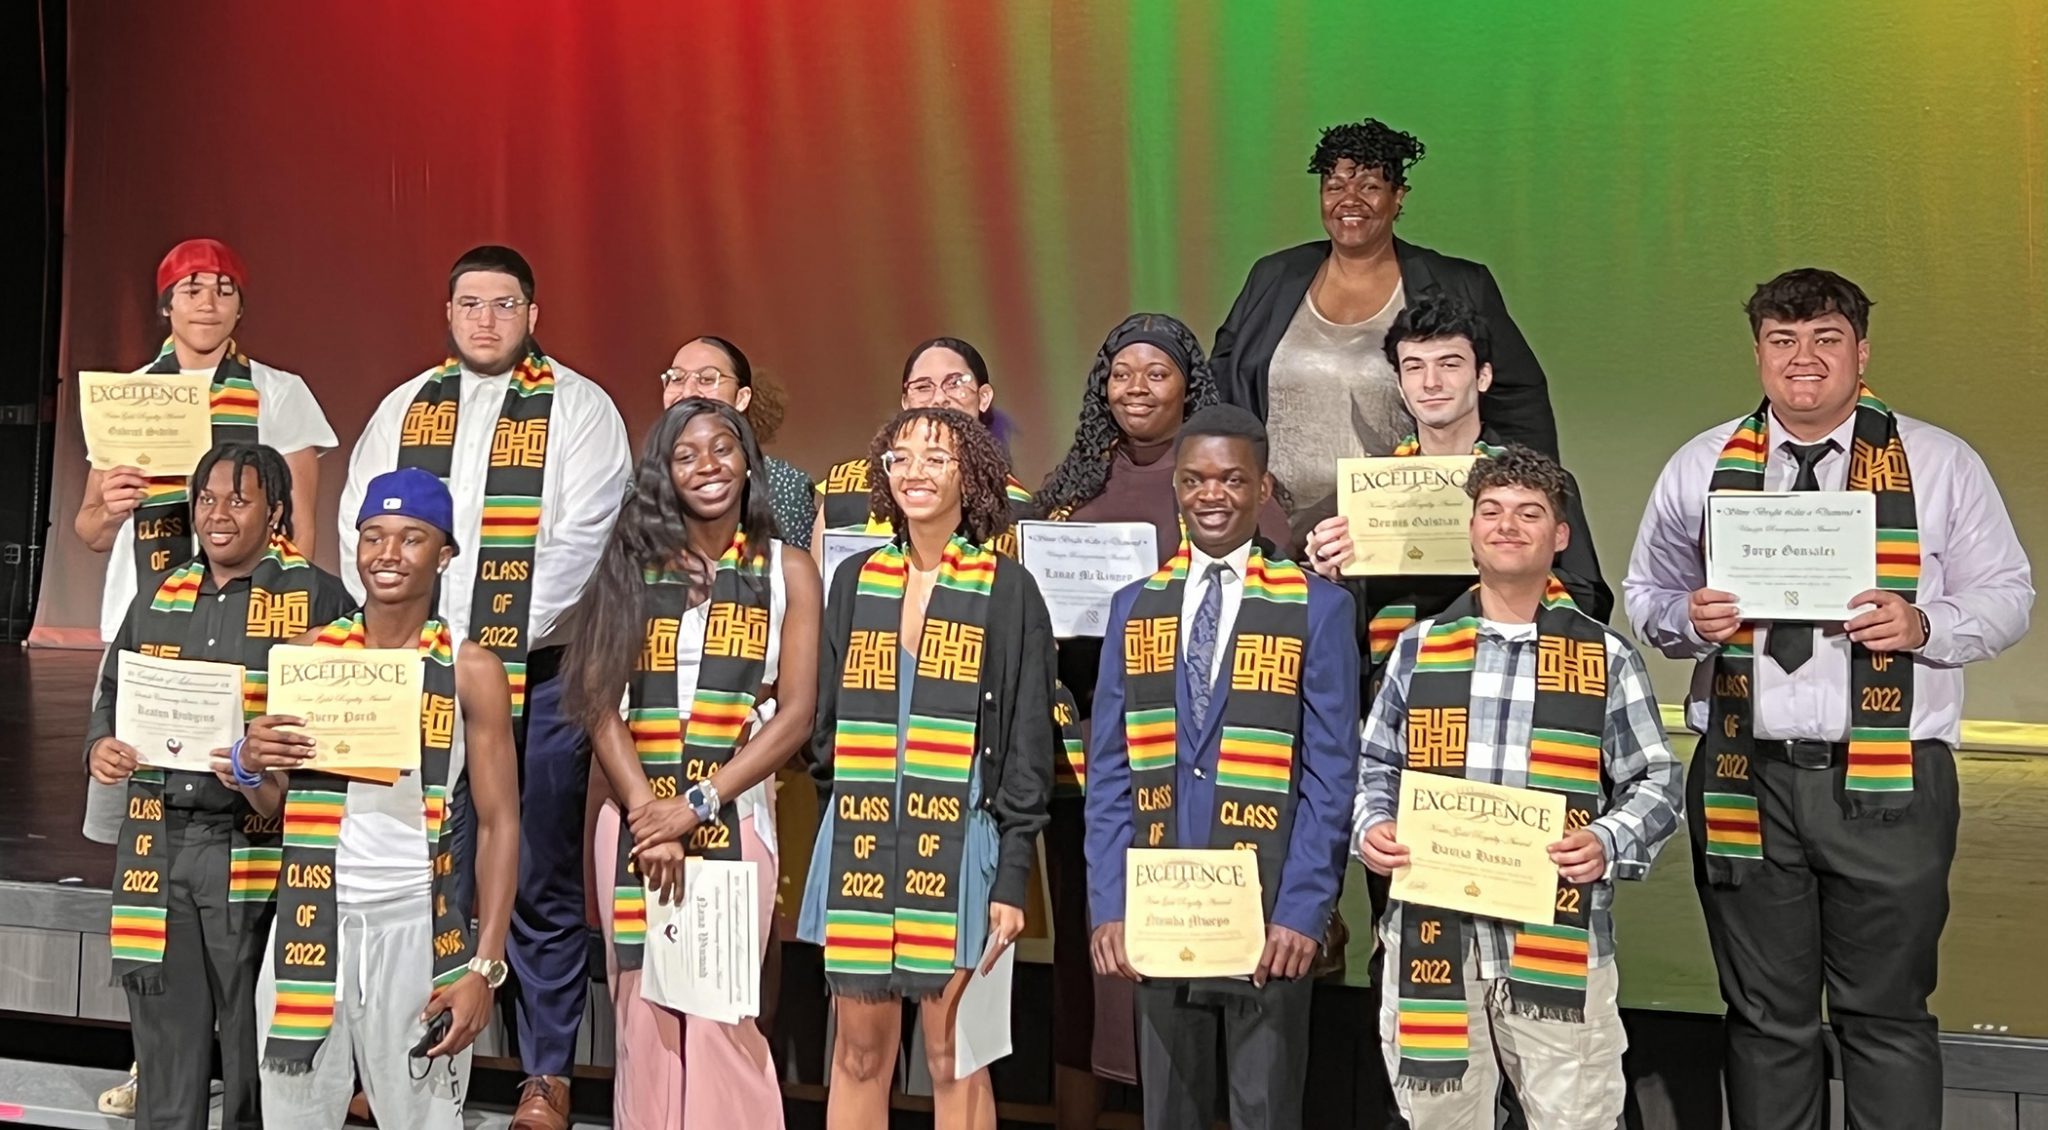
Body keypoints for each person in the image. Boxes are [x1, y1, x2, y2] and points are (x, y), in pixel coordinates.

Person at [1624, 269, 2033, 1130]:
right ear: (1759, 353)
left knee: (1885, 1015)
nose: (1802, 359)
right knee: (1767, 1021)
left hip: (1892, 780)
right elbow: (1649, 592)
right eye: (1783, 340)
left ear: (1861, 352)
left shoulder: (1938, 461)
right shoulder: (1702, 464)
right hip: (1747, 776)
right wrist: (1688, 619)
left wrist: (1923, 623)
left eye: (1825, 340)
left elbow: (2008, 594)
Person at [337, 245, 629, 1128]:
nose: (486, 319)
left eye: (505, 304)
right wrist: (414, 645)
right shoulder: (404, 406)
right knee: (428, 866)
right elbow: (366, 518)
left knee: (535, 869)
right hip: (414, 676)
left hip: (530, 675)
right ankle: (401, 1053)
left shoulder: (579, 409)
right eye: (470, 303)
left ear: (532, 314)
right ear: (450, 312)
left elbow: (579, 544)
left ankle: (545, 1071)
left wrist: (480, 650)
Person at [1358, 445, 1682, 1129]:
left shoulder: (1603, 655)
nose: (1508, 526)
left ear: (1559, 537)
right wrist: (1372, 827)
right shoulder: (1418, 649)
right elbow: (1375, 767)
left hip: (1558, 940)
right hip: (1434, 940)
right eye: (1492, 512)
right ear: (1471, 529)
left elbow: (1656, 778)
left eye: (1529, 513)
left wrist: (1604, 840)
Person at [1029, 313, 1292, 1122]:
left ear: (1190, 386)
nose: (1136, 388)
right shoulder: (1067, 493)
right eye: (1121, 373)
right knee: (1092, 959)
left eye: (1157, 373)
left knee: (1215, 966)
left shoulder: (1231, 488)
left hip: (1220, 765)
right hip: (1095, 764)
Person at [1085, 405, 1360, 1130]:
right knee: (1168, 1114)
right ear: (1176, 486)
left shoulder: (1317, 609)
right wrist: (1110, 904)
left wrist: (1305, 910)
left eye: (1232, 479)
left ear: (1263, 486)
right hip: (1161, 907)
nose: (1213, 494)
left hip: (1268, 916)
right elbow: (1109, 770)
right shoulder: (1134, 607)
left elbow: (1332, 776)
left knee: (1263, 1112)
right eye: (1197, 479)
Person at [560, 398, 821, 1128]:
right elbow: (598, 696)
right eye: (686, 454)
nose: (707, 466)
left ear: (747, 461)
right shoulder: (629, 562)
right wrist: (652, 814)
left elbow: (796, 713)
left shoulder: (787, 569)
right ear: (662, 474)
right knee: (642, 1016)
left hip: (733, 811)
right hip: (635, 817)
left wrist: (695, 805)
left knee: (719, 1018)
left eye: (722, 448)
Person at [797, 406, 1058, 1130]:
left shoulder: (1006, 591)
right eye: (900, 458)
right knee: (855, 1055)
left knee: (953, 1057)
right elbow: (825, 731)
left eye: (936, 458)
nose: (915, 471)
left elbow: (1028, 749)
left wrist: (1010, 878)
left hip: (961, 844)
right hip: (862, 843)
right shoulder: (854, 581)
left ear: (969, 476)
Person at [85, 443, 354, 1130]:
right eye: (207, 498)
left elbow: (344, 727)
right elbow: (113, 693)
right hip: (159, 843)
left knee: (250, 1049)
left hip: (257, 847)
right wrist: (101, 749)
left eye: (240, 499)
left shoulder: (317, 598)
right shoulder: (159, 595)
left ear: (277, 512)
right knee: (166, 1046)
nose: (218, 514)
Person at [243, 468, 519, 1128]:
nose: (388, 554)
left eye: (411, 538)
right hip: (312, 924)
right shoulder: (309, 657)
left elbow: (501, 823)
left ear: (445, 553)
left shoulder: (471, 669)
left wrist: (485, 965)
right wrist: (248, 762)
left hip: (417, 931)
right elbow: (269, 803)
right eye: (373, 537)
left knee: (425, 1119)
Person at [80, 239, 338, 850]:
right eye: (192, 289)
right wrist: (113, 508)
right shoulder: (128, 396)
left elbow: (301, 528)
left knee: (243, 792)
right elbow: (89, 531)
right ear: (167, 305)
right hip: (144, 620)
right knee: (136, 795)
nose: (209, 302)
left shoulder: (277, 391)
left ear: (240, 309)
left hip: (251, 621)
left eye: (225, 290)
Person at [1209, 119, 1558, 546]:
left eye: (1370, 187)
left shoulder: (1457, 284)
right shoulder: (1273, 277)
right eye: (1334, 186)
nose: (1348, 200)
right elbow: (1222, 385)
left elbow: (1518, 399)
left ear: (1398, 197)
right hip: (1271, 530)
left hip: (1397, 537)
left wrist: (1532, 501)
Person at [1304, 292, 1612, 676]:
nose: (1431, 382)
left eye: (1449, 364)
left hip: (1511, 681)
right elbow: (1347, 631)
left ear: (1483, 377)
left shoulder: (1538, 485)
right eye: (1414, 367)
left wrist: (1513, 565)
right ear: (1400, 386)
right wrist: (1332, 578)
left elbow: (1589, 602)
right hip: (1396, 689)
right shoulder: (1365, 493)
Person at [810, 337, 1033, 564]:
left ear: (983, 397)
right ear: (905, 402)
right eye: (923, 387)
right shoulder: (845, 487)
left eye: (955, 384)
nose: (938, 399)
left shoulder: (1015, 505)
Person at [660, 335, 818, 548]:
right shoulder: (643, 484)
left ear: (741, 397)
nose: (687, 392)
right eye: (677, 378)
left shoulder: (784, 486)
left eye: (707, 379)